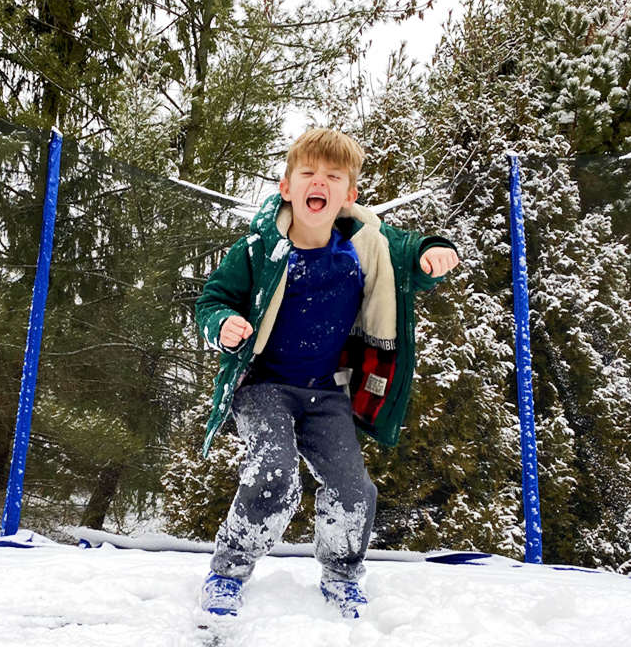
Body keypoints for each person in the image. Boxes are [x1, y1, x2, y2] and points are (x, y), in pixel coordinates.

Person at [194, 128, 459, 619]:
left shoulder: (365, 245)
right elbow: (212, 301)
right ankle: (227, 572)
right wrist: (221, 324)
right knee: (274, 472)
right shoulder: (257, 248)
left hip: (325, 393)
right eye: (309, 173)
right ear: (286, 187)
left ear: (348, 195)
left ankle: (341, 575)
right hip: (262, 387)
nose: (321, 182)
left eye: (334, 176)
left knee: (354, 489)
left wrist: (433, 252)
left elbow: (411, 256)